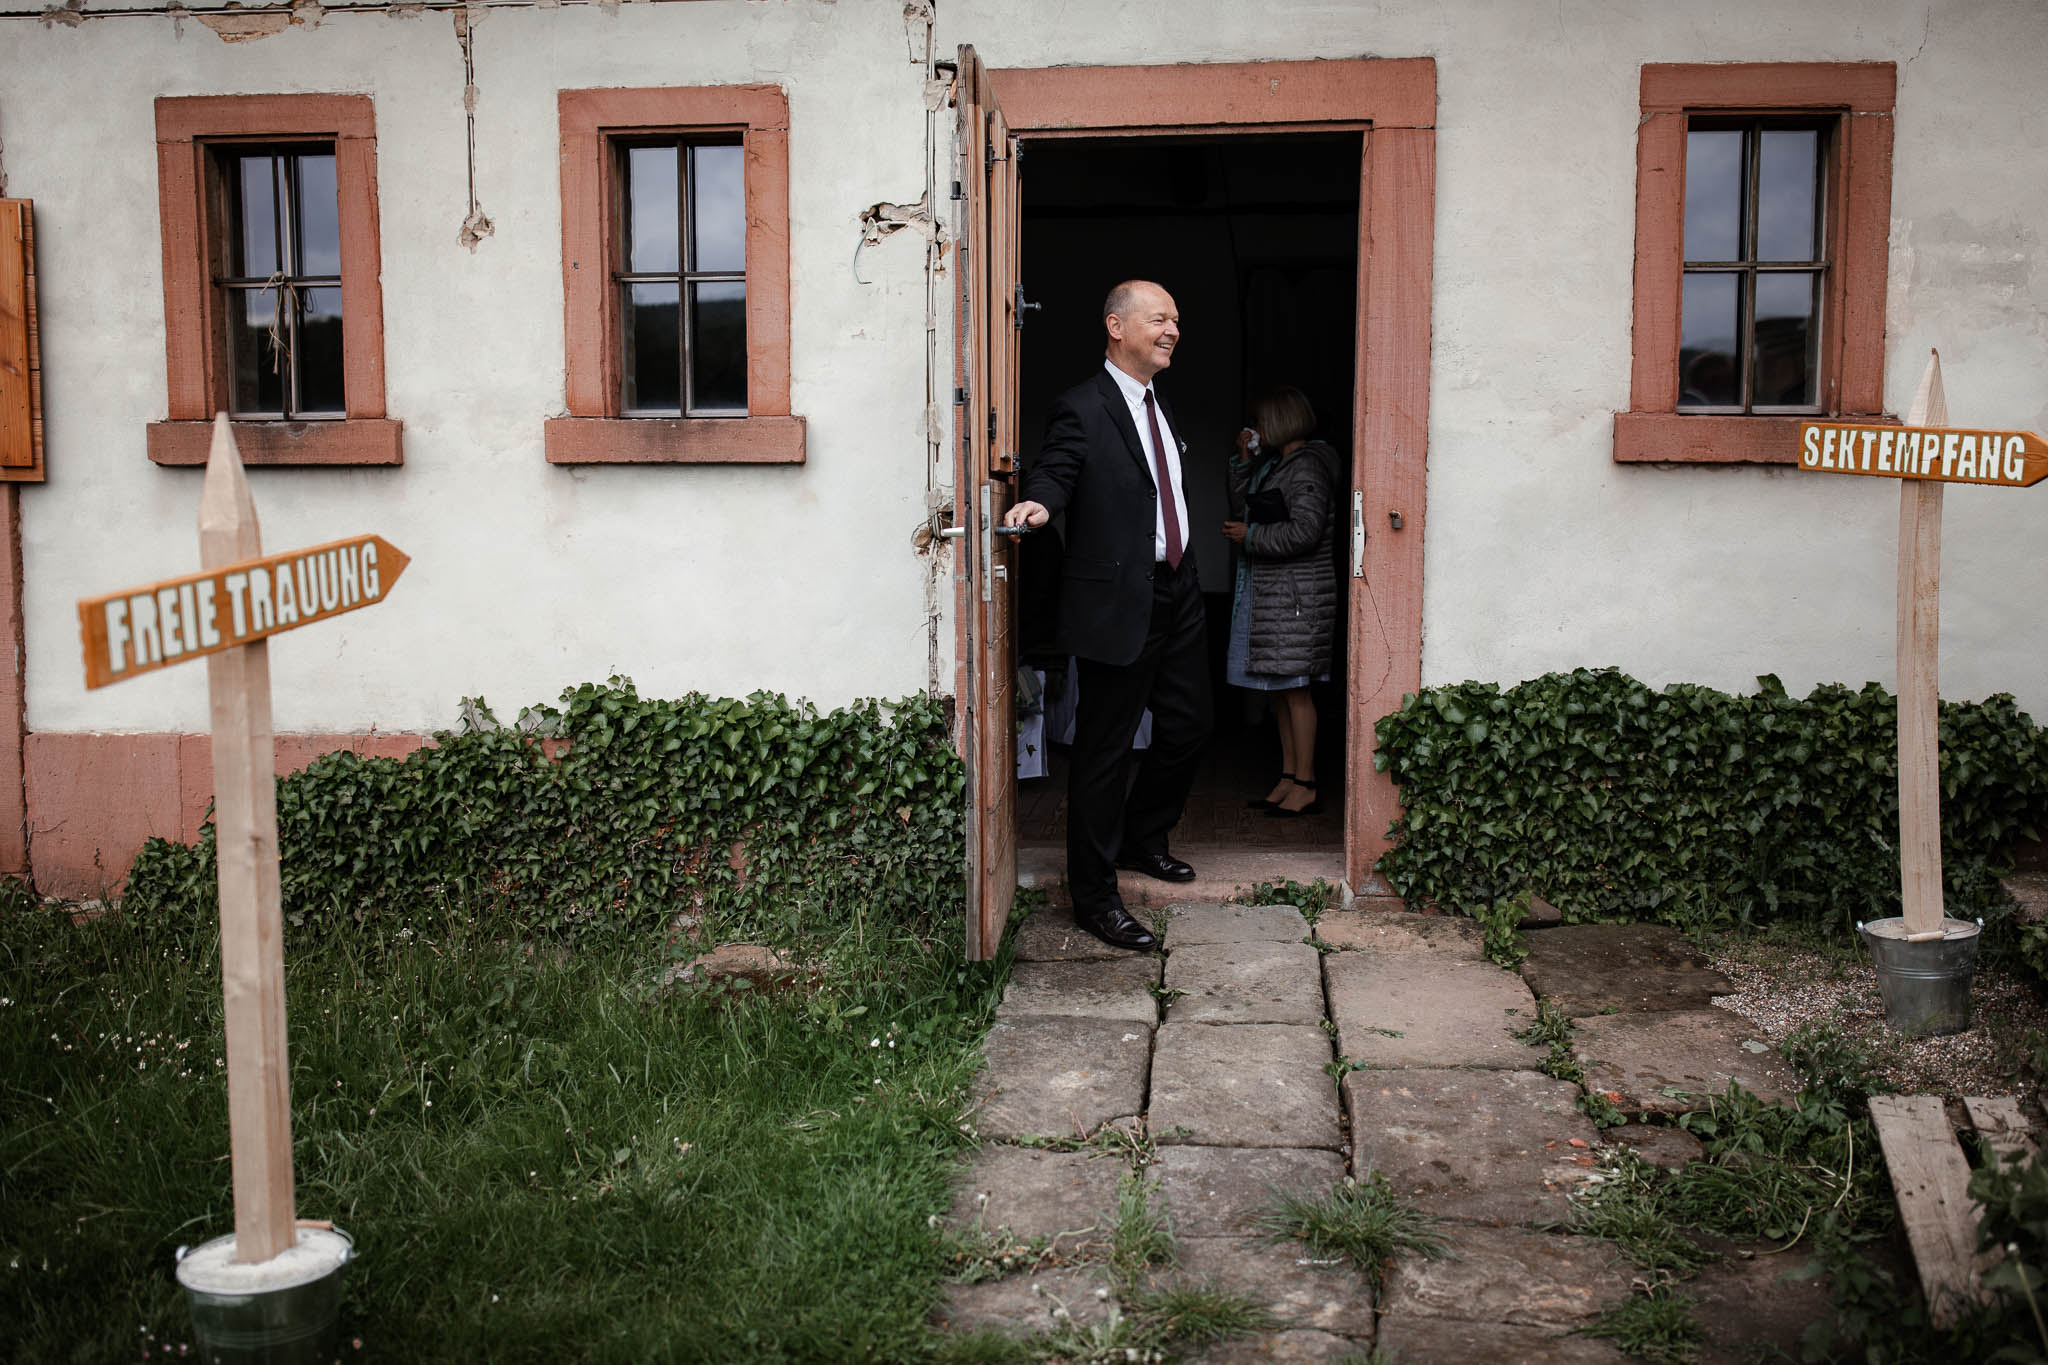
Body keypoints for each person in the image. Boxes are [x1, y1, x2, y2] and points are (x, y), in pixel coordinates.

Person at [1003, 280, 1210, 952]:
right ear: (1116, 325)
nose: (1173, 328)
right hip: (1117, 601)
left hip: (1178, 589)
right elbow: (1057, 469)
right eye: (1160, 318)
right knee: (1103, 752)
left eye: (1176, 319)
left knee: (1189, 726)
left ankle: (1141, 838)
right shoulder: (1081, 407)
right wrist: (1038, 504)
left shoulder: (1161, 404)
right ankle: (1094, 897)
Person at [1221, 386, 1340, 818]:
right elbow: (1247, 506)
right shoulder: (1278, 464)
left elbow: (1305, 532)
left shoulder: (1306, 468)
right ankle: (1289, 778)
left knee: (1297, 692)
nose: (1259, 430)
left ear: (1284, 422)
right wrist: (1246, 463)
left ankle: (1305, 783)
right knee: (1281, 693)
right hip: (1279, 595)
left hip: (1296, 597)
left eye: (1265, 422)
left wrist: (1250, 537)